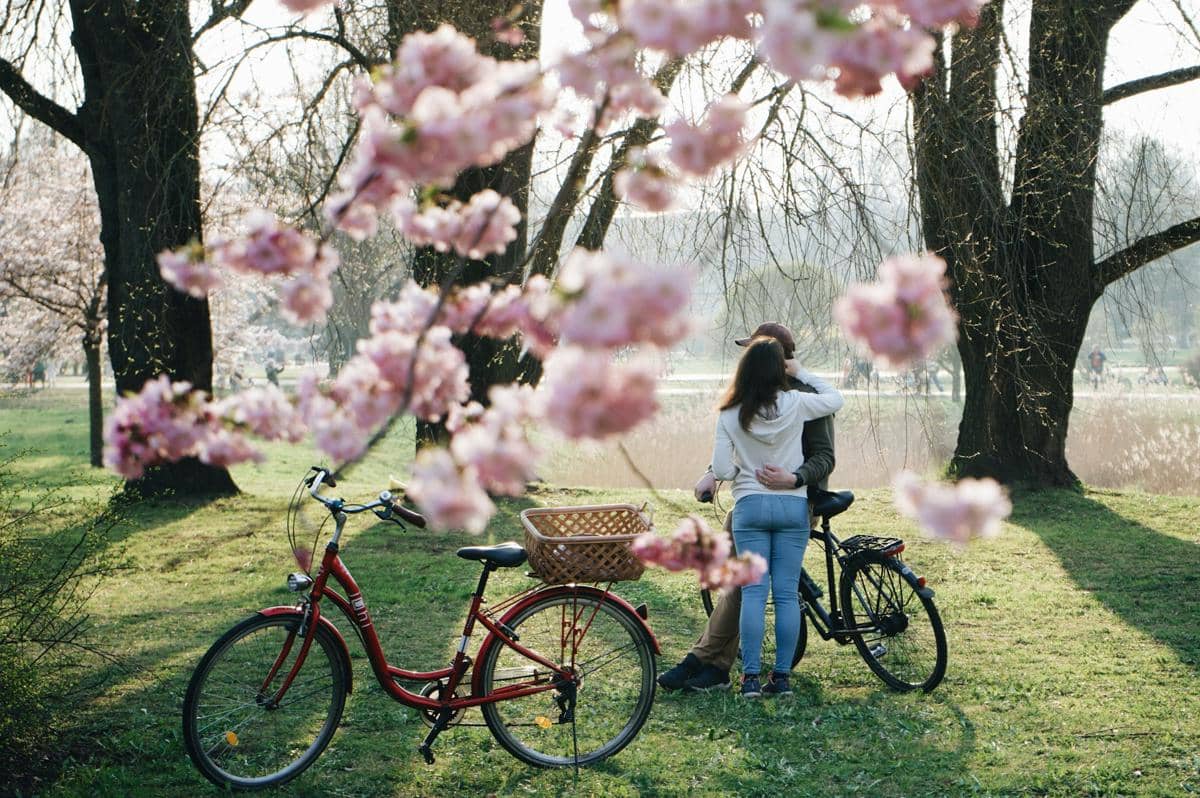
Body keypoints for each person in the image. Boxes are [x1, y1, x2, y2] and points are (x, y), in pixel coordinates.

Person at [658, 322, 839, 695]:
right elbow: (729, 459)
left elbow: (824, 457)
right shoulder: (795, 400)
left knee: (745, 587)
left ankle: (717, 664)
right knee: (762, 588)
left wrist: (793, 477)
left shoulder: (801, 396)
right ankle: (729, 666)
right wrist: (712, 474)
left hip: (792, 497)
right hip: (781, 506)